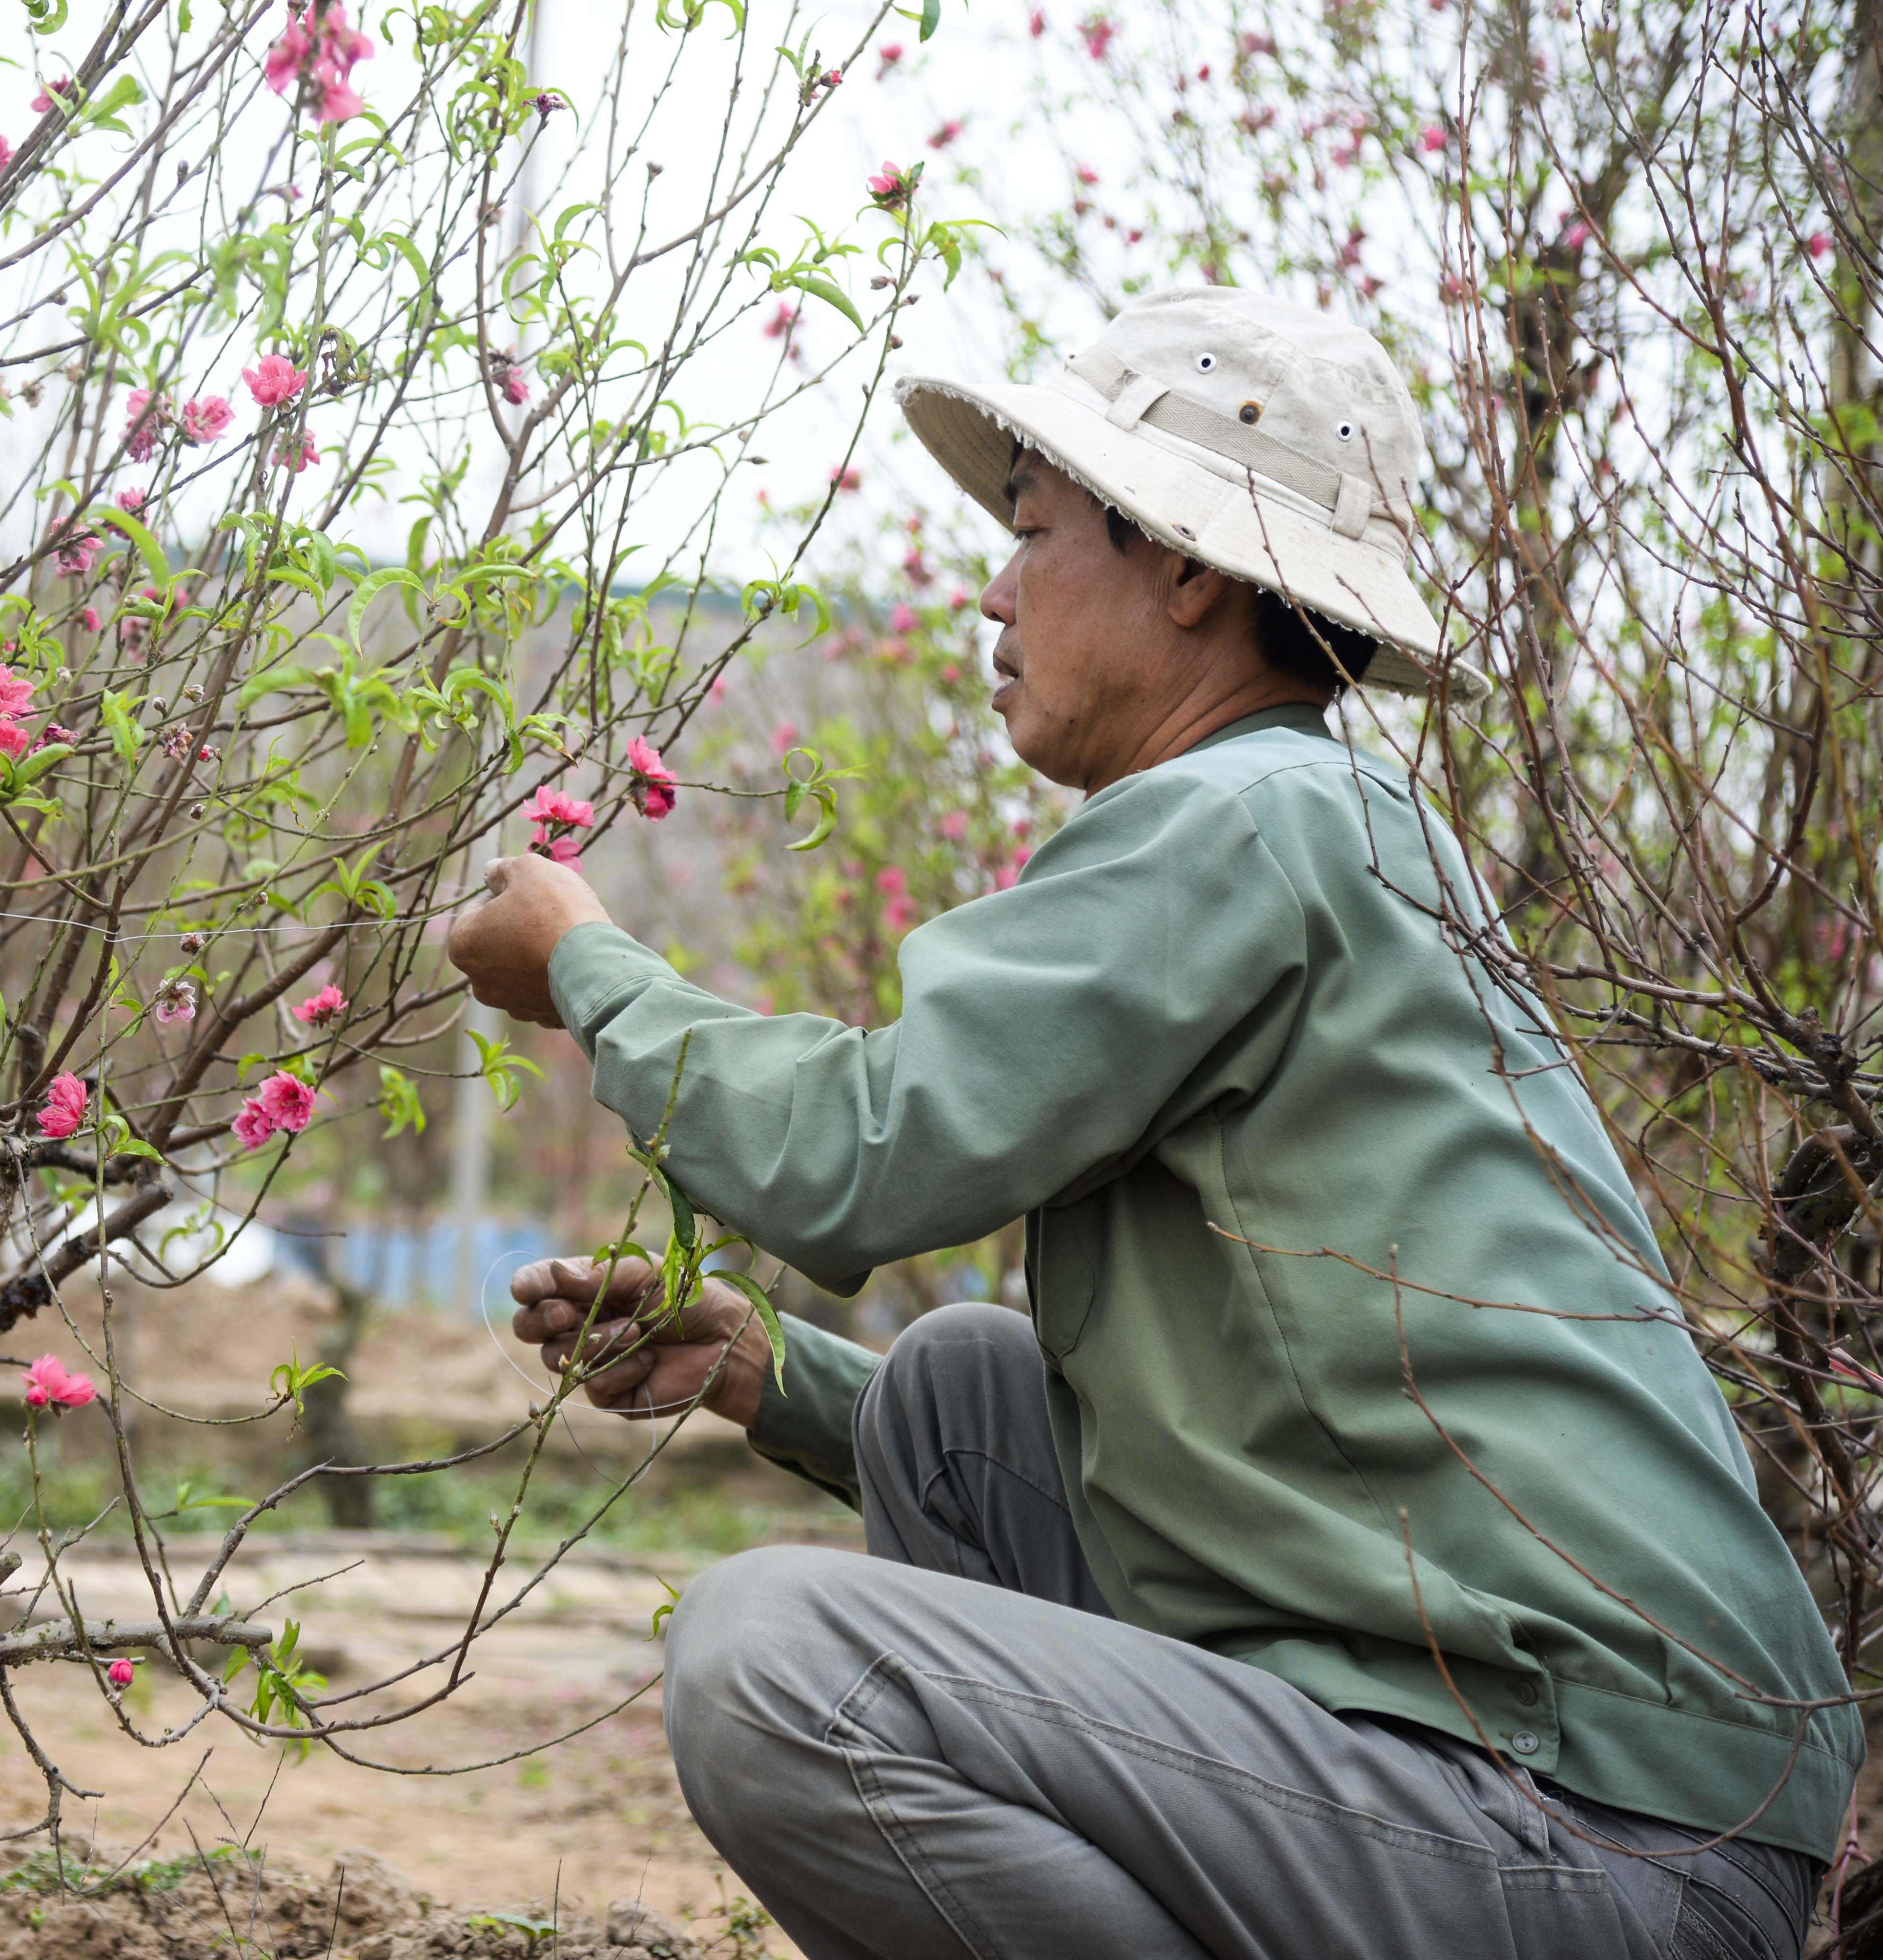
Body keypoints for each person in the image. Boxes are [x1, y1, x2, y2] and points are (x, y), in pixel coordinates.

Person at [446, 287, 1857, 1960]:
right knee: (955, 1399)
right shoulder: (1327, 819)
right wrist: (769, 1378)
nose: (994, 590)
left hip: (1592, 1826)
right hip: (1601, 1792)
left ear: (1189, 569)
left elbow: (858, 1156)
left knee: (774, 1662)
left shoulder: (1243, 819)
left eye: (1032, 530)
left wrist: (590, 968)